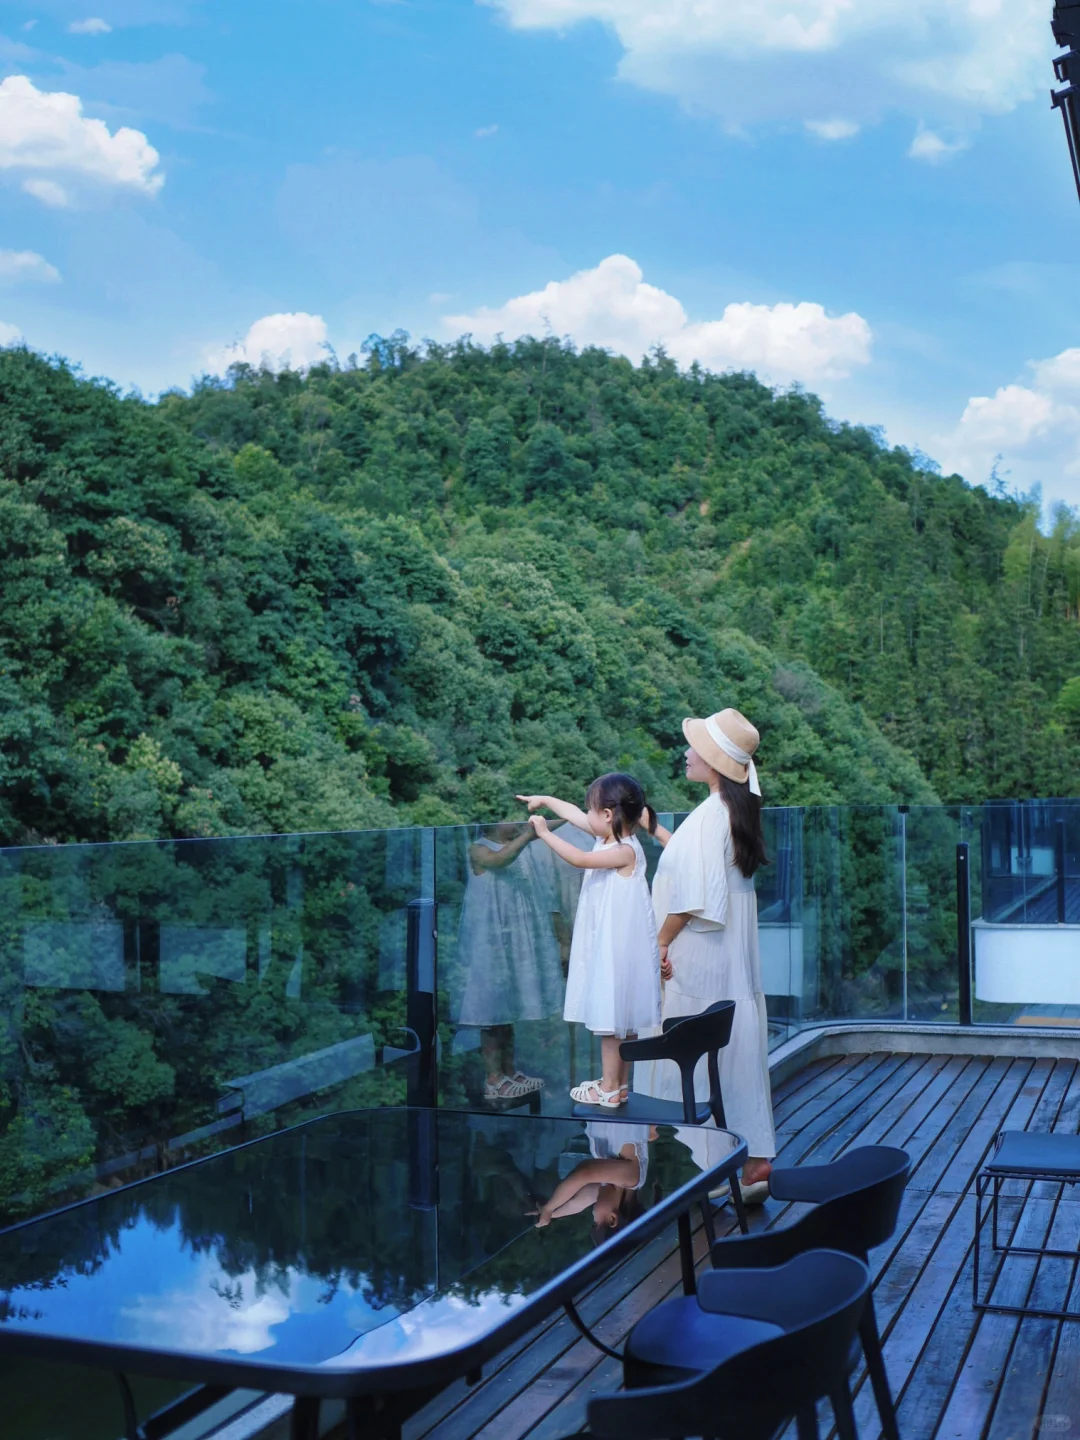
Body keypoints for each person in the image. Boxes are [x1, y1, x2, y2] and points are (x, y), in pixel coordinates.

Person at [637, 708, 776, 1204]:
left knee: (694, 1053)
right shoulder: (732, 811)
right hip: (727, 955)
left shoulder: (712, 815)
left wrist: (660, 942)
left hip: (701, 956)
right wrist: (656, 830)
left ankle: (719, 1163)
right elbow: (702, 864)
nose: (686, 752)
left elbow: (693, 897)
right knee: (730, 1049)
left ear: (714, 761)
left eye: (694, 747)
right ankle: (749, 1159)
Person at [518, 775, 662, 1107]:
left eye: (591, 810)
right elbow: (573, 814)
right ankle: (619, 1084)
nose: (586, 816)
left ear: (608, 815)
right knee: (622, 1021)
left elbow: (580, 860)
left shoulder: (624, 851)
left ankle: (608, 1088)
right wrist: (545, 799)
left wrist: (543, 833)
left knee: (611, 1020)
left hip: (616, 949)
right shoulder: (609, 837)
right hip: (617, 945)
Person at [451, 823, 565, 1101]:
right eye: (509, 818)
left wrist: (569, 816)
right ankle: (493, 1078)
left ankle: (509, 1073)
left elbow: (540, 826)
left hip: (511, 943)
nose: (517, 823)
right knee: (492, 1014)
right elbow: (499, 860)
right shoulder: (479, 849)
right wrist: (530, 834)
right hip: (490, 945)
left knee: (508, 1012)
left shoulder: (520, 847)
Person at [531, 1121, 655, 1243]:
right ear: (612, 1219)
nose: (592, 1214)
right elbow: (585, 1172)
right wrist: (549, 1208)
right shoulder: (632, 1179)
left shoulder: (611, 1187)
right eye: (595, 1222)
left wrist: (550, 1214)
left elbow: (577, 1203)